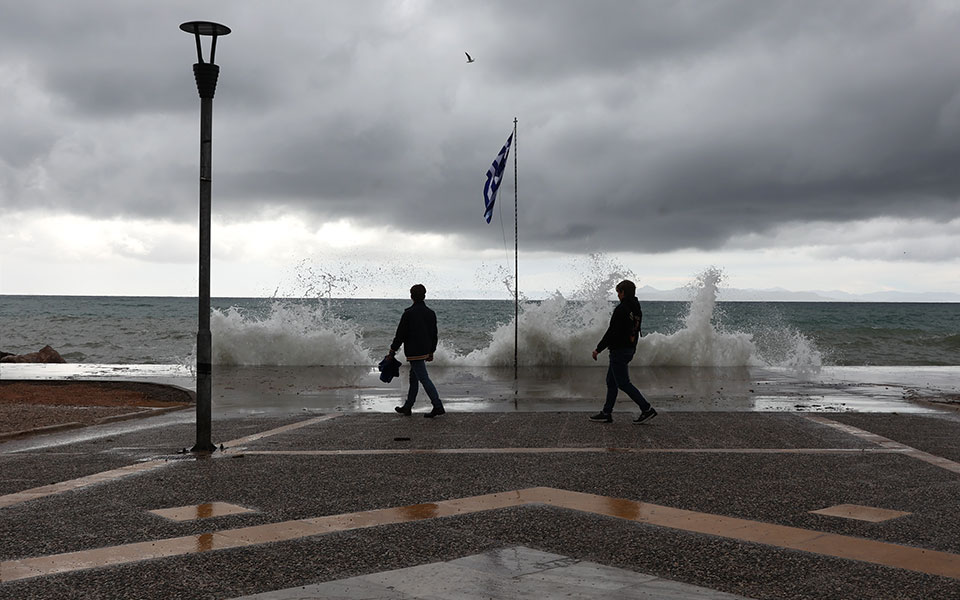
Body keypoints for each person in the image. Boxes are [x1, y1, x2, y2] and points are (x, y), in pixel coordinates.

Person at [590, 279, 657, 424]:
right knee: (611, 381)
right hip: (629, 349)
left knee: (623, 383)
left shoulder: (621, 309)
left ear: (623, 292)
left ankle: (646, 409)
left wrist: (598, 349)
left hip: (619, 350)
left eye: (618, 293)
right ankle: (606, 413)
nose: (618, 296)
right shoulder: (637, 309)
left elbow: (612, 332)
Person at [389, 284, 445, 418]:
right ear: (424, 296)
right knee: (414, 378)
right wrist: (431, 351)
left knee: (424, 379)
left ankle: (438, 406)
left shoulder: (408, 313)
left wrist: (392, 351)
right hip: (425, 350)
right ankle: (408, 406)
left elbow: (400, 334)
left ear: (411, 296)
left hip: (414, 352)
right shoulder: (430, 313)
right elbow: (434, 334)